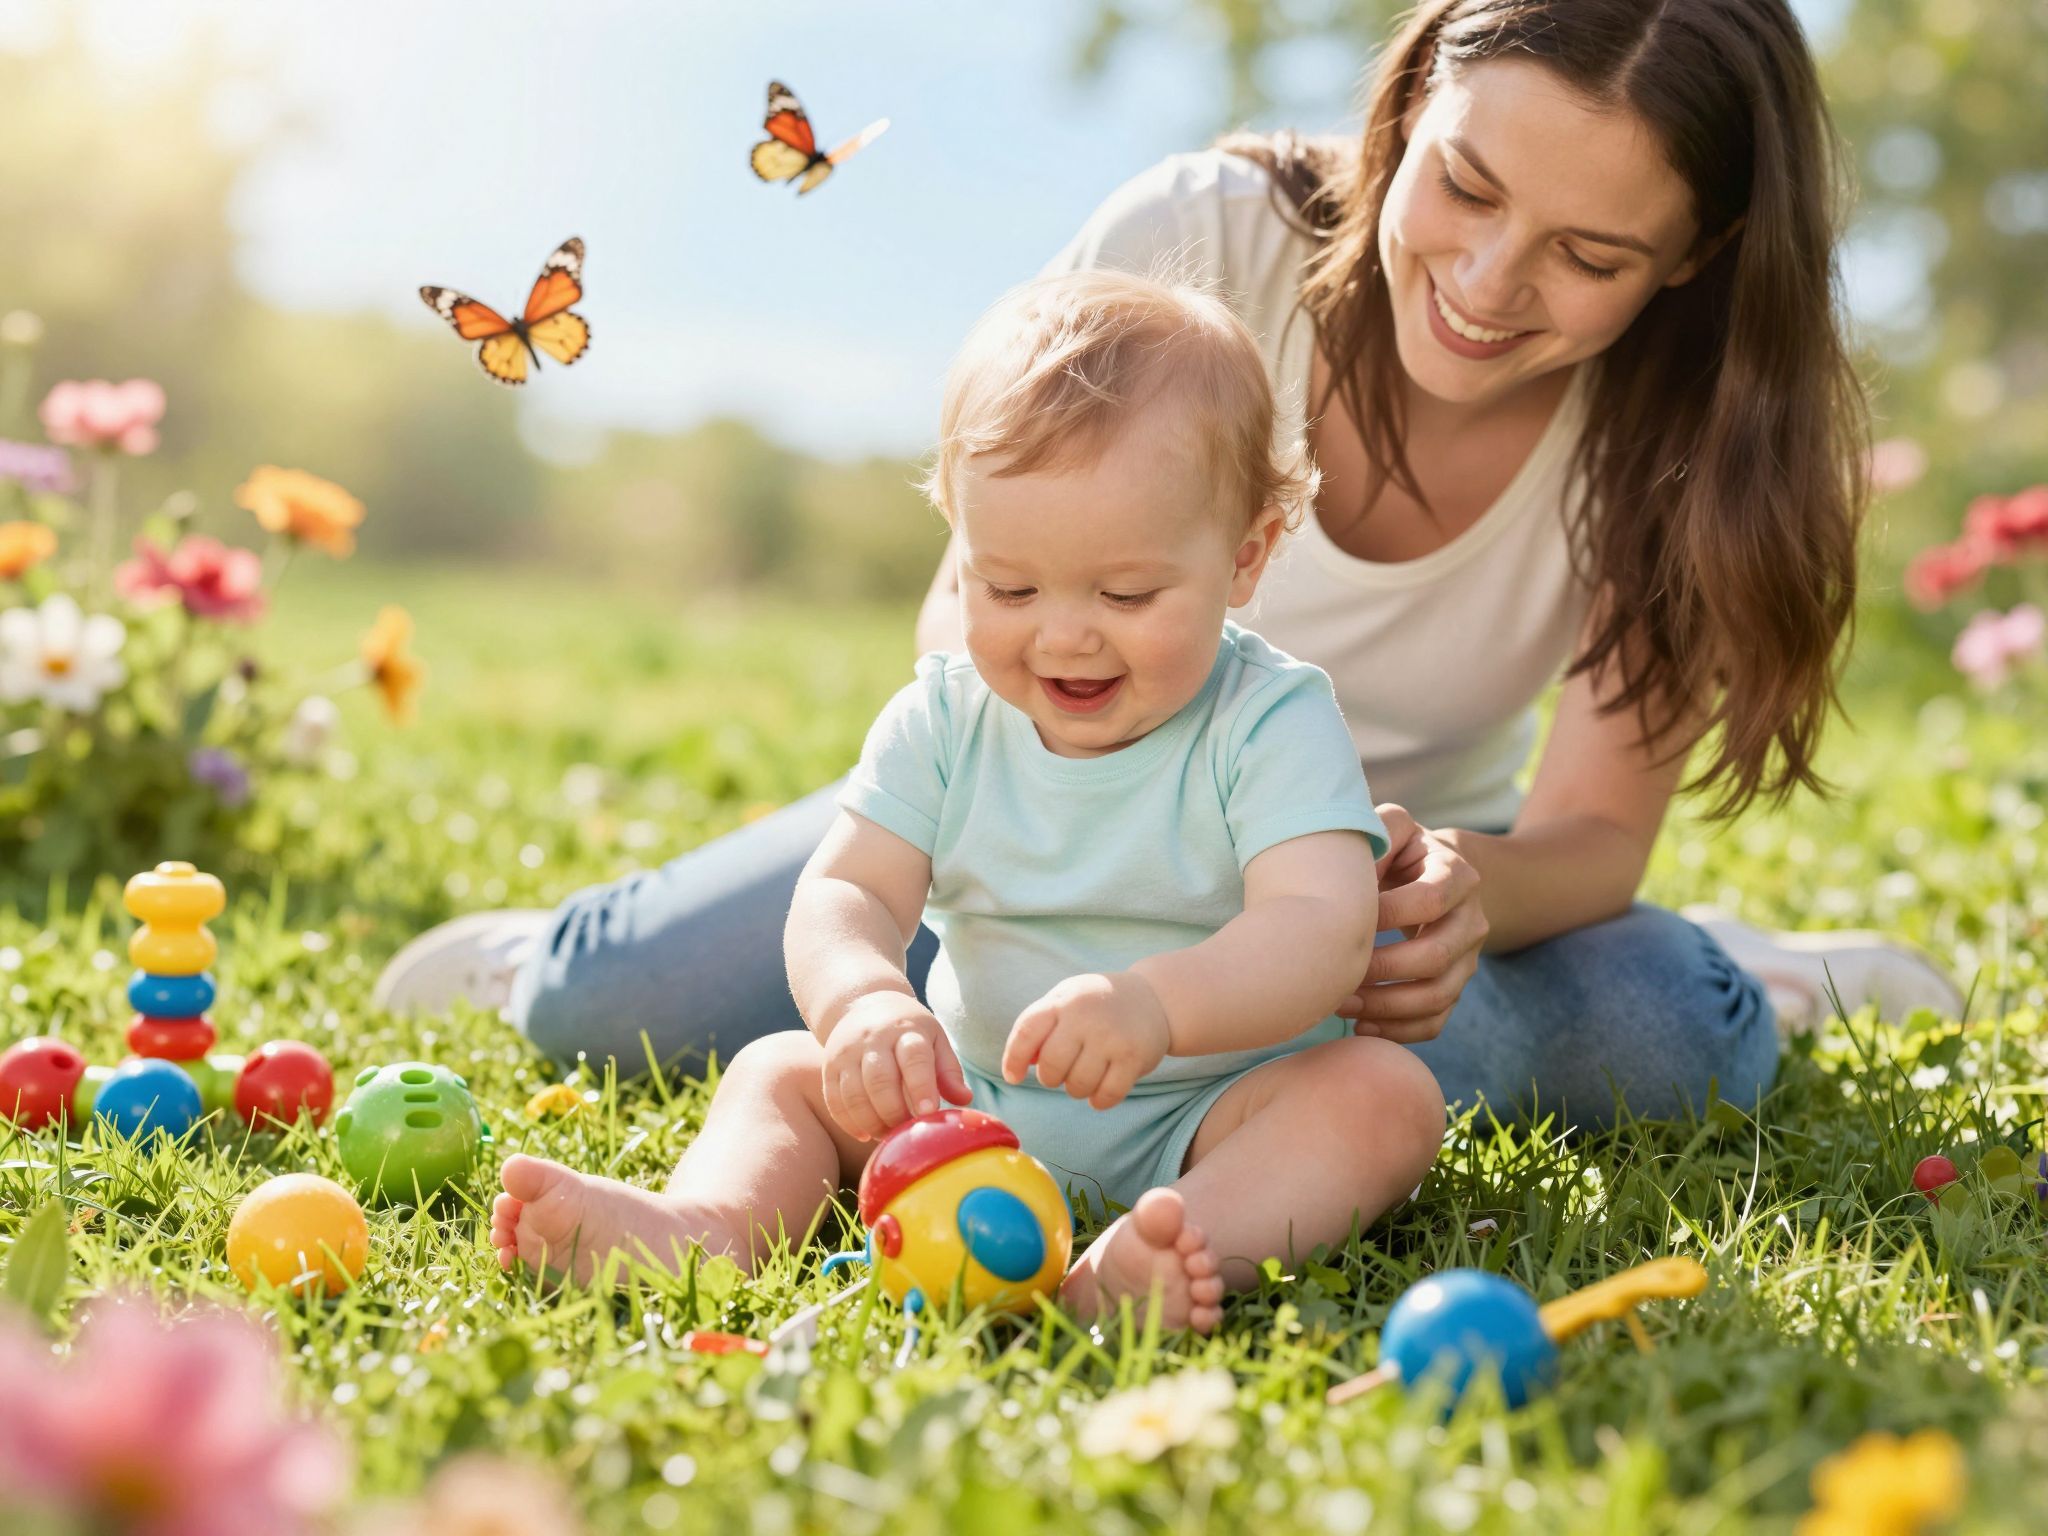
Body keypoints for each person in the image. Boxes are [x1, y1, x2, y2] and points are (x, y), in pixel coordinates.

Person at [383, 0, 1962, 1129]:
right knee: (606, 1013)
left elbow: (1596, 834)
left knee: (1649, 1027)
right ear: (1409, 110)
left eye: (1590, 256)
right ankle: (568, 950)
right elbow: (973, 602)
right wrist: (1065, 851)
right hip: (1051, 807)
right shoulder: (1209, 243)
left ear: (1688, 257)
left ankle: (1768, 980)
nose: (1487, 284)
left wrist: (1442, 893)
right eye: (1466, 189)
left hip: (1358, 892)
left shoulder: (1680, 433)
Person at [489, 270, 1446, 1329]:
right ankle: (706, 1224)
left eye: (1126, 594)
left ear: (1245, 557)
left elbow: (1318, 928)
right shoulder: (943, 718)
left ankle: (1155, 1253)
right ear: (961, 547)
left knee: (1380, 1098)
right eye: (1009, 588)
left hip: (1206, 1114)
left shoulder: (1269, 721)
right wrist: (863, 1002)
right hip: (967, 1110)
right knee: (781, 1070)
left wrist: (1155, 1006)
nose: (1064, 634)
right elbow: (848, 886)